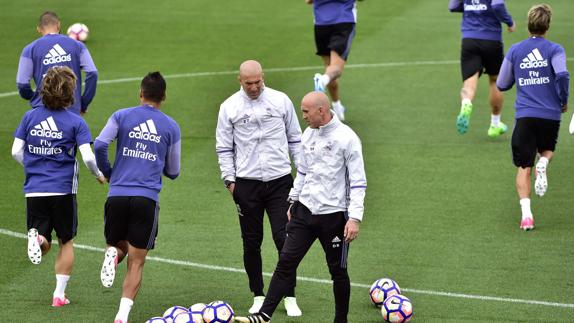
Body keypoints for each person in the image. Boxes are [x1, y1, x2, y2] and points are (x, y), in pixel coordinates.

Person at [236, 91, 367, 323]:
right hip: (304, 212)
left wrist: (354, 218)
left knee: (338, 272)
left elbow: (358, 182)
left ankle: (341, 320)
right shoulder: (308, 134)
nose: (303, 116)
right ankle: (264, 315)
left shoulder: (347, 139)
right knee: (286, 261)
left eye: (306, 111)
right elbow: (304, 172)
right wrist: (293, 199)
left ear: (321, 111)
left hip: (334, 217)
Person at [11, 66, 105, 307]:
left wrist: (32, 166)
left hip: (35, 189)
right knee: (66, 241)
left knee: (45, 240)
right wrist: (98, 175)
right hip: (63, 190)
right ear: (70, 93)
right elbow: (88, 157)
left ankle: (38, 238)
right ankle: (59, 295)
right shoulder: (76, 122)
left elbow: (15, 151)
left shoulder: (29, 116)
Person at [215, 60, 303, 316]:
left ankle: (290, 295)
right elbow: (223, 147)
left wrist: (301, 175)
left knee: (284, 239)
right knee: (251, 243)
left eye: (258, 82)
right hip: (247, 185)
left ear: (263, 77)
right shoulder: (229, 107)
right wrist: (230, 181)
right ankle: (258, 294)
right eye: (249, 83)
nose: (254, 87)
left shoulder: (281, 101)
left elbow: (295, 139)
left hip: (280, 182)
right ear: (239, 80)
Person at [94, 72, 181, 323]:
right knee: (137, 261)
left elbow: (100, 144)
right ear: (163, 97)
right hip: (146, 199)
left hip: (117, 195)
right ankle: (122, 316)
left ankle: (112, 254)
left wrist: (109, 172)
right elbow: (173, 171)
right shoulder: (171, 126)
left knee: (117, 244)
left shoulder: (121, 115)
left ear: (140, 93)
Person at [496, 4, 569, 230]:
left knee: (524, 167)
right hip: (550, 114)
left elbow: (502, 83)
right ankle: (544, 163)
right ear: (547, 26)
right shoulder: (555, 49)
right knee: (547, 149)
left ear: (528, 25)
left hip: (525, 115)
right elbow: (562, 74)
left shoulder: (516, 50)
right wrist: (563, 100)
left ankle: (527, 216)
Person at [449, 0, 515, 137]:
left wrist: (472, 8)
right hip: (491, 40)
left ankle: (466, 103)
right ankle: (495, 124)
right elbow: (497, 5)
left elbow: (453, 6)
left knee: (469, 83)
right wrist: (509, 22)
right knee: (495, 81)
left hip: (469, 39)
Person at [17, 11, 98, 115]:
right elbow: (92, 73)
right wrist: (83, 103)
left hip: (41, 110)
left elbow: (22, 83)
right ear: (59, 24)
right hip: (71, 110)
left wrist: (32, 97)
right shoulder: (78, 45)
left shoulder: (29, 50)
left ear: (38, 29)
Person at [307, 0, 358, 121]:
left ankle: (337, 105)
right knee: (336, 69)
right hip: (344, 21)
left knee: (328, 68)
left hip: (321, 24)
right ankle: (322, 81)